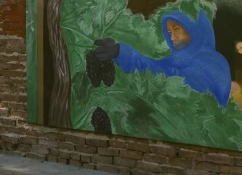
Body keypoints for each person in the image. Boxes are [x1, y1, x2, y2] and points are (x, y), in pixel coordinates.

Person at [92, 8, 232, 106]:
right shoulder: (177, 59)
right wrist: (121, 53)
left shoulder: (212, 61)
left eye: (177, 29)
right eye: (169, 31)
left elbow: (172, 78)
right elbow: (158, 66)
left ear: (194, 28)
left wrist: (123, 53)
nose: (172, 37)